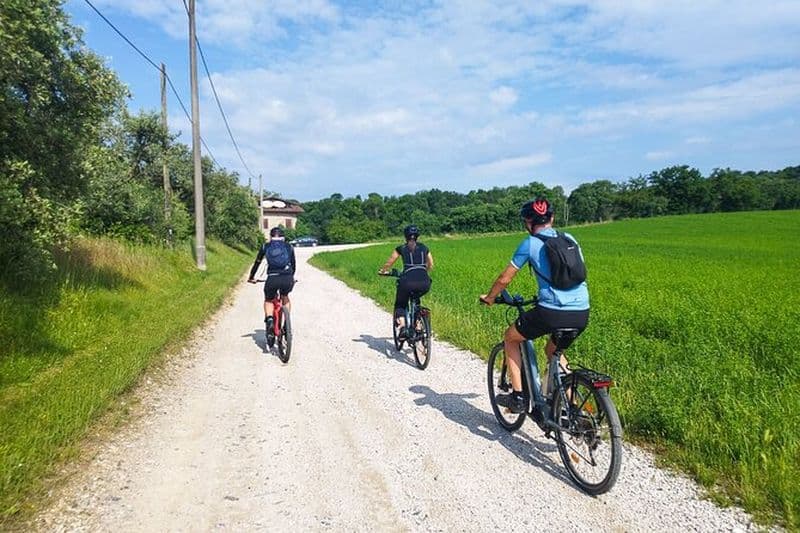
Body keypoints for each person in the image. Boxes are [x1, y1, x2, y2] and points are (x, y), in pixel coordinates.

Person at [479, 197, 589, 414]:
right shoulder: (570, 238)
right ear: (552, 218)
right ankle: (574, 409)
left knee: (510, 337)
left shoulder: (530, 243)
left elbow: (505, 279)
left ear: (528, 222)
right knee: (553, 350)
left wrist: (491, 297)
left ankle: (518, 397)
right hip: (582, 311)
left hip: (551, 312)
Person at [378, 225, 434, 337]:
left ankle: (403, 327)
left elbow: (390, 262)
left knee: (400, 304)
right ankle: (418, 325)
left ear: (405, 236)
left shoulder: (401, 248)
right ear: (417, 236)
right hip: (425, 282)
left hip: (407, 281)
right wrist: (422, 271)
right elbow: (431, 265)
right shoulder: (424, 247)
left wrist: (383, 271)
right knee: (416, 299)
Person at [248, 227, 296, 345]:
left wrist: (251, 277)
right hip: (287, 277)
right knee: (285, 296)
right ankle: (286, 323)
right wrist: (291, 277)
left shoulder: (266, 246)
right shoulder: (289, 247)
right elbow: (293, 264)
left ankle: (269, 319)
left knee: (269, 300)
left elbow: (257, 262)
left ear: (271, 236)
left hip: (272, 278)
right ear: (283, 237)